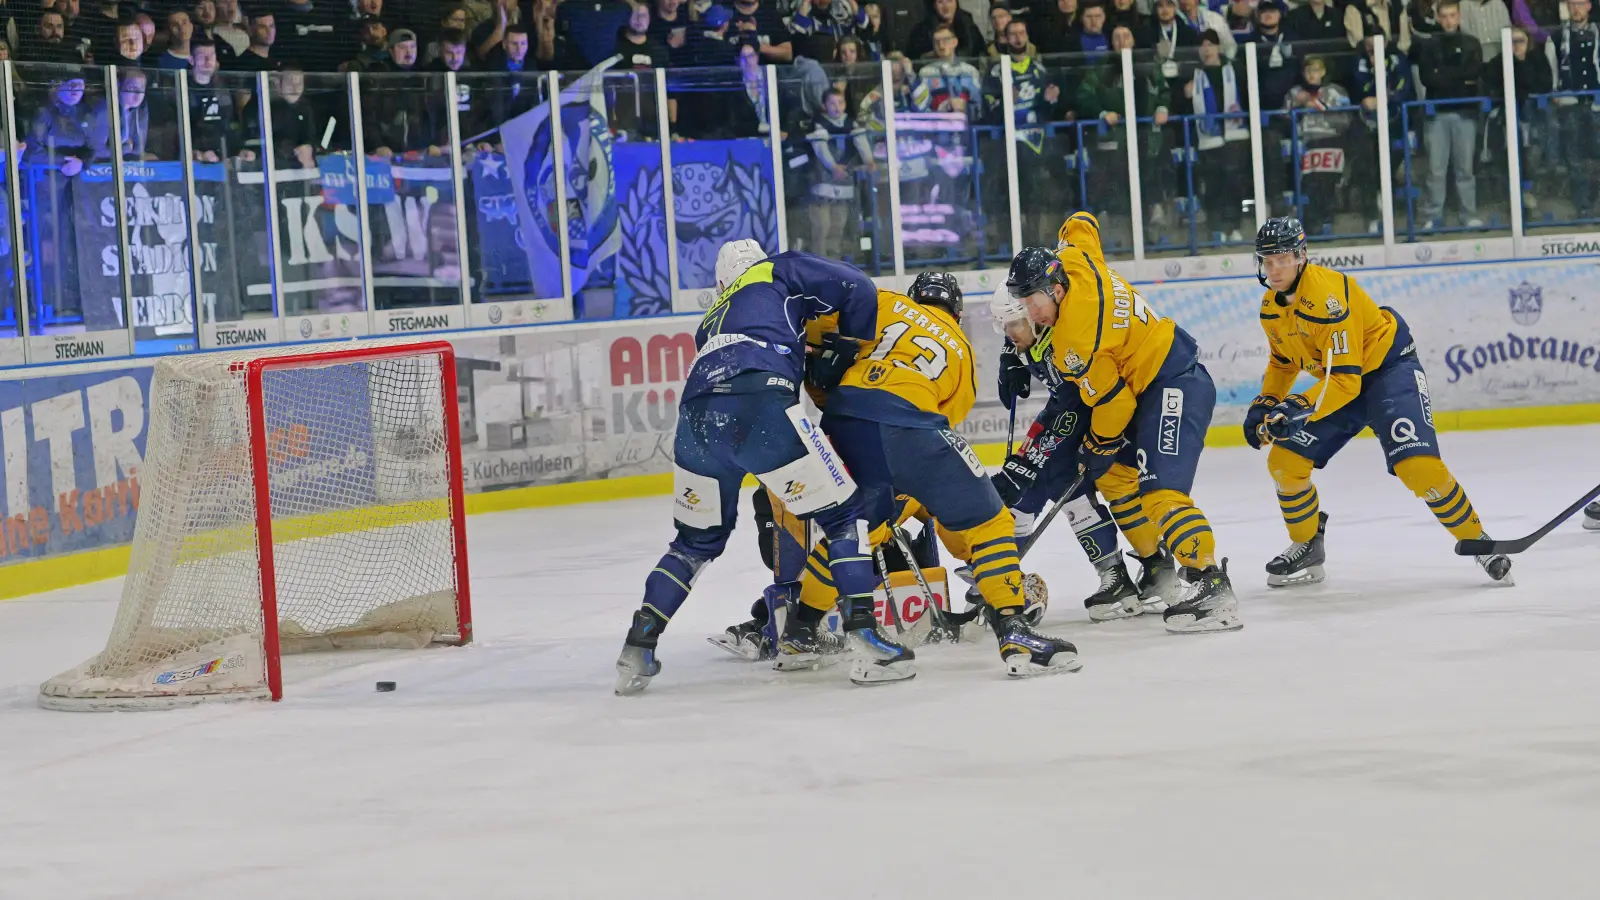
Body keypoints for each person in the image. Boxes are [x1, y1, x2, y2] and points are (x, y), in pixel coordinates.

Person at [613, 244, 890, 694]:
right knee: (844, 516)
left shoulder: (710, 320)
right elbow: (857, 285)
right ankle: (866, 639)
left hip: (695, 420)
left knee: (692, 544)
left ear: (720, 283)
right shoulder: (776, 269)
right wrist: (849, 348)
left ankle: (638, 645)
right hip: (761, 404)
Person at [823, 272, 1082, 676]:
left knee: (852, 530)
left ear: (914, 297)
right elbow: (942, 423)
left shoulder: (887, 304)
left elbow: (826, 339)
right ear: (957, 312)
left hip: (841, 430)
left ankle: (797, 623)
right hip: (909, 438)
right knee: (986, 518)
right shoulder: (959, 346)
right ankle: (1009, 618)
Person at [1247, 217, 1514, 587]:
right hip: (1342, 383)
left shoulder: (1328, 299)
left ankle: (1479, 541)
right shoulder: (1270, 307)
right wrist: (1266, 402)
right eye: (1267, 260)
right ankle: (1307, 545)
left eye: (1282, 259)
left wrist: (1295, 406)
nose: (1274, 269)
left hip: (1388, 372)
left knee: (1417, 467)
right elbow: (1283, 361)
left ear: (1301, 256)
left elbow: (1345, 381)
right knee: (1284, 462)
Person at [1007, 213, 1239, 634]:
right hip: (1151, 386)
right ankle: (1156, 567)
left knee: (1161, 492)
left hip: (1173, 382)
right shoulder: (1077, 259)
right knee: (1115, 477)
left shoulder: (1075, 340)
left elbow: (1115, 403)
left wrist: (1098, 444)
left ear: (1055, 289)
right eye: (1023, 304)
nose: (1032, 312)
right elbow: (1082, 222)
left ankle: (1211, 583)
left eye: (1034, 302)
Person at [989, 288, 1182, 619]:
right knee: (1062, 479)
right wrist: (1011, 355)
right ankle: (1131, 573)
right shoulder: (1041, 332)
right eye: (1003, 326)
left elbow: (1073, 409)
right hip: (1094, 416)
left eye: (1013, 325)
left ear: (1034, 317)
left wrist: (1028, 463)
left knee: (1046, 477)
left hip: (1118, 420)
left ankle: (999, 568)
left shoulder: (1066, 344)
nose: (1008, 333)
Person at [987, 19, 1062, 245]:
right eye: (1013, 33)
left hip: (1036, 139)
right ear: (1005, 38)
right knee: (1009, 189)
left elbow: (1049, 108)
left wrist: (1050, 100)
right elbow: (988, 108)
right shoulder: (997, 71)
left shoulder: (1039, 69)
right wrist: (1005, 103)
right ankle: (1011, 239)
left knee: (1038, 187)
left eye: (1022, 33)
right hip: (1007, 140)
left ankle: (1036, 238)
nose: (1018, 38)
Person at [1415, 0, 1484, 229]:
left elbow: (1474, 73)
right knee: (1436, 170)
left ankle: (1469, 215)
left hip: (1465, 113)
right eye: (1444, 16)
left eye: (1452, 15)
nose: (1448, 21)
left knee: (1465, 169)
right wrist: (1459, 77)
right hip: (1437, 114)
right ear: (1437, 18)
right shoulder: (1429, 45)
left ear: (1459, 16)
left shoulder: (1472, 43)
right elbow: (1427, 78)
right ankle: (1433, 216)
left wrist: (1442, 73)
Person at [1184, 29, 1252, 242]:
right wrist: (1185, 94)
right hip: (1208, 139)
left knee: (1234, 181)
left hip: (1235, 136)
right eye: (1202, 45)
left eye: (1210, 44)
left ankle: (1234, 225)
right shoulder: (1192, 74)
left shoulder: (1235, 69)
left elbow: (1249, 96)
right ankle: (1217, 228)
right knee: (1213, 183)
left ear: (1219, 47)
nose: (1206, 49)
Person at [1553, 0, 1599, 219]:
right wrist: (1555, 93)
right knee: (1576, 159)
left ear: (1589, 6)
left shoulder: (1598, 32)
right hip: (1571, 105)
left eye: (1580, 3)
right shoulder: (1557, 37)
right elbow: (1553, 69)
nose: (1575, 8)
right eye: (1571, 4)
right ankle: (1583, 207)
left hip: (1597, 103)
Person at [804, 87, 862, 259]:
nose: (837, 107)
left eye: (840, 102)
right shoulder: (817, 125)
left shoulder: (851, 124)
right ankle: (819, 261)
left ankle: (834, 260)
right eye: (832, 103)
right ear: (824, 106)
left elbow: (858, 148)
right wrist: (833, 167)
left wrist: (866, 162)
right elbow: (820, 150)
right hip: (821, 181)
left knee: (838, 224)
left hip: (842, 181)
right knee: (822, 225)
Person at [189, 35, 251, 160]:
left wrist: (239, 151)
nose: (208, 61)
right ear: (191, 60)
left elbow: (231, 125)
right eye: (202, 56)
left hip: (224, 156)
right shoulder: (181, 89)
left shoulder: (226, 88)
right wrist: (196, 154)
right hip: (195, 158)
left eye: (212, 55)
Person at [917, 23, 982, 113]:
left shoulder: (969, 71)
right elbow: (922, 107)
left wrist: (965, 106)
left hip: (964, 120)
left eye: (945, 40)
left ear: (955, 42)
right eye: (937, 42)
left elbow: (979, 105)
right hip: (938, 120)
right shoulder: (926, 73)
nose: (941, 45)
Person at [906, 0, 983, 59]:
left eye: (949, 1)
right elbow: (914, 57)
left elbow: (981, 53)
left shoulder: (969, 26)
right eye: (940, 2)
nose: (946, 6)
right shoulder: (920, 31)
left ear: (956, 3)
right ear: (934, 5)